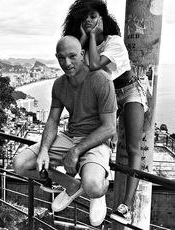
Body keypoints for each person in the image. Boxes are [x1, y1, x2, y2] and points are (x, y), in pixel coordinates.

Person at [13, 35, 117, 227]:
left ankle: (98, 192)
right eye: (61, 58)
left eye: (72, 56)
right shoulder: (59, 84)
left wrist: (75, 152)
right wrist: (44, 151)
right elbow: (52, 120)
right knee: (20, 164)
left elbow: (109, 127)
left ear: (82, 54)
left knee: (93, 186)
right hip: (69, 136)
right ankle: (70, 185)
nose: (67, 63)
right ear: (57, 57)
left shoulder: (101, 80)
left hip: (96, 141)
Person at [62, 0, 148, 225]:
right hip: (107, 96)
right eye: (84, 18)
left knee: (132, 148)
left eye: (93, 16)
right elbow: (78, 71)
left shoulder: (115, 42)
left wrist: (90, 38)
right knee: (93, 137)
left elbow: (94, 65)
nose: (88, 21)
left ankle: (126, 206)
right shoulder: (84, 43)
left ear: (103, 18)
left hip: (128, 93)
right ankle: (94, 188)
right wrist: (83, 39)